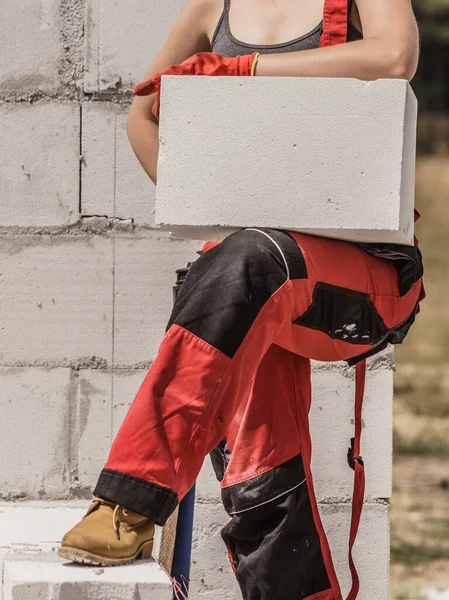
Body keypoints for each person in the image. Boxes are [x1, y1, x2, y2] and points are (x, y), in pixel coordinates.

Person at [58, 0, 424, 599]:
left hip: (365, 280)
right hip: (258, 280)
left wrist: (245, 71)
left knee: (250, 260)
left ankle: (128, 500)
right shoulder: (212, 7)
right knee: (261, 462)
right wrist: (203, 196)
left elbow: (395, 56)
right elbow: (142, 116)